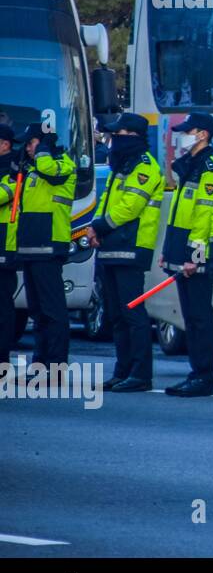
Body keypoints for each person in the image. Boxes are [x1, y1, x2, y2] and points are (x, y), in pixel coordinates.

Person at [89, 113, 165, 393]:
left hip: (132, 246)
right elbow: (106, 202)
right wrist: (95, 229)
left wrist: (99, 226)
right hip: (111, 245)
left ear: (132, 136)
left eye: (117, 135)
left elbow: (131, 207)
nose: (113, 141)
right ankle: (122, 370)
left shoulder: (145, 167)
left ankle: (141, 373)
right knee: (116, 314)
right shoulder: (121, 165)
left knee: (133, 313)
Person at [160, 112, 213, 397]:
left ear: (203, 135)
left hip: (195, 260)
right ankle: (196, 374)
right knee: (191, 318)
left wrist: (196, 257)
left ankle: (203, 377)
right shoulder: (191, 167)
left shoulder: (208, 169)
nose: (182, 135)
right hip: (183, 256)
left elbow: (206, 217)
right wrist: (169, 252)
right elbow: (179, 216)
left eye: (189, 131)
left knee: (200, 318)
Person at [12, 122, 77, 373]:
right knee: (37, 312)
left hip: (49, 246)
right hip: (31, 248)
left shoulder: (62, 164)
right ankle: (40, 365)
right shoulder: (33, 171)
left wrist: (44, 148)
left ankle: (56, 366)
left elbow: (49, 168)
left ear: (43, 143)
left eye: (31, 143)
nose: (27, 148)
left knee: (53, 311)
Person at [0, 126, 19, 365]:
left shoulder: (13, 168)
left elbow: (4, 193)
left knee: (3, 308)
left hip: (4, 246)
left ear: (5, 144)